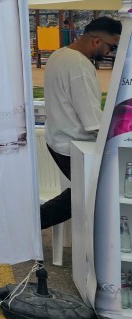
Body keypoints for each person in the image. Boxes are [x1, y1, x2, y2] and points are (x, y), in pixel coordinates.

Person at [40, 16, 121, 230]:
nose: (110, 53)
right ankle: (26, 226)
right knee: (99, 191)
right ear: (96, 41)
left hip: (58, 140)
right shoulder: (79, 66)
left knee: (85, 193)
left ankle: (25, 226)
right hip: (75, 144)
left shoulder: (59, 55)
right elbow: (92, 121)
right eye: (111, 46)